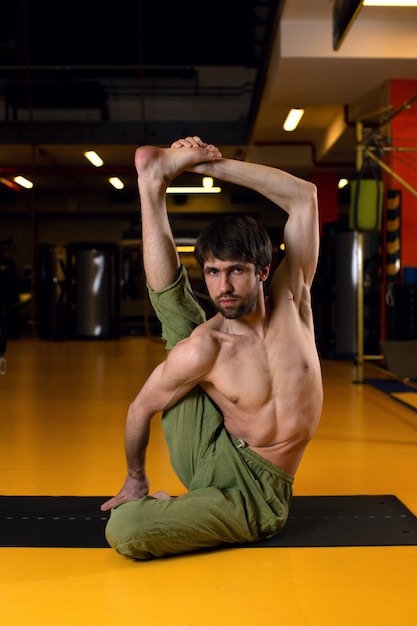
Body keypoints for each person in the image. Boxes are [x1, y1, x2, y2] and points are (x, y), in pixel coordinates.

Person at [101, 136, 323, 560]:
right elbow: (138, 410)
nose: (222, 287)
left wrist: (204, 164)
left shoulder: (294, 302)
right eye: (212, 272)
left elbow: (304, 197)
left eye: (236, 271)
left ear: (263, 270)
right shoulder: (207, 347)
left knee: (188, 338)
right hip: (210, 457)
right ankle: (152, 183)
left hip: (257, 493)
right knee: (126, 530)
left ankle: (158, 176)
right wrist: (135, 479)